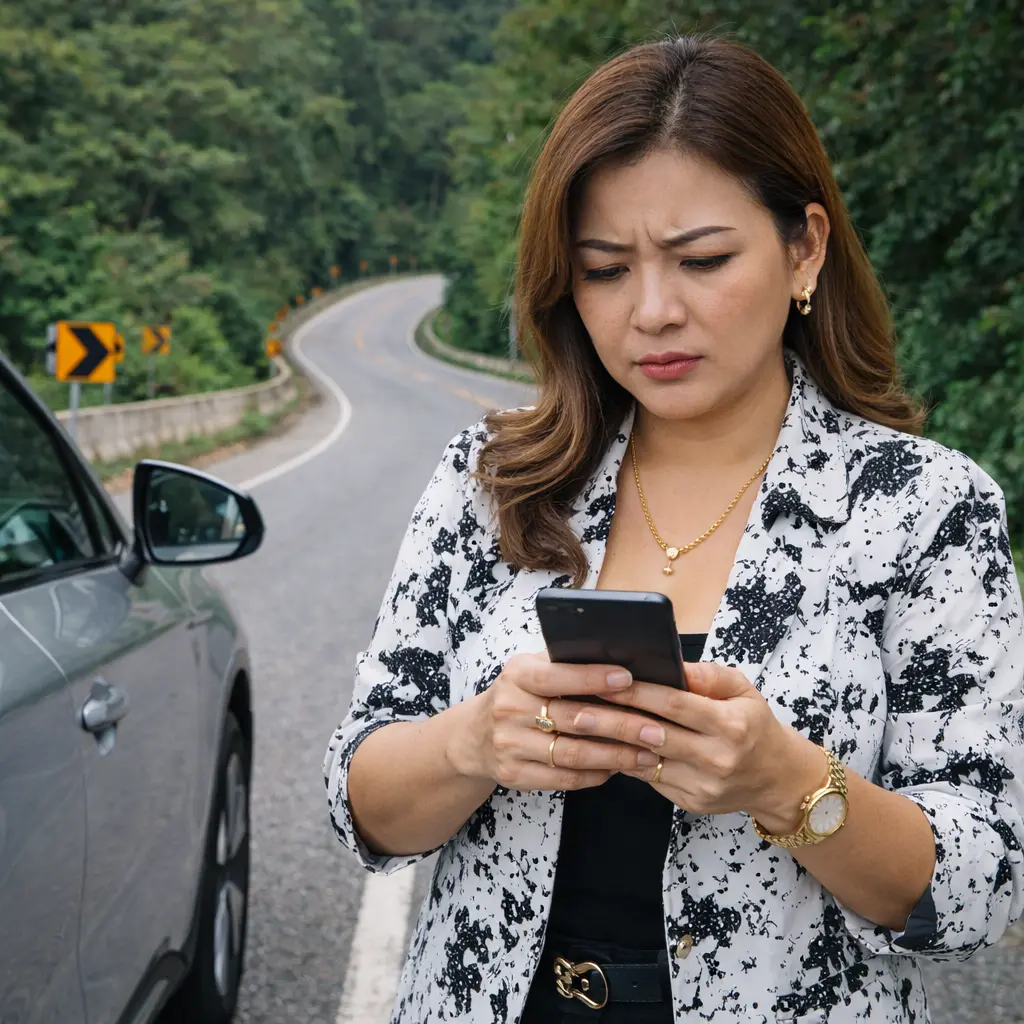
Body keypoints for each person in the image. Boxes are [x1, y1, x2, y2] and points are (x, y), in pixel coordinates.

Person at [324, 34, 1024, 1024]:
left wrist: (789, 781)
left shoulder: (921, 510)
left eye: (701, 259)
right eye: (605, 268)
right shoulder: (493, 483)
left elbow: (982, 884)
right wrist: (471, 743)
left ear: (804, 248)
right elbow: (358, 802)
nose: (651, 310)